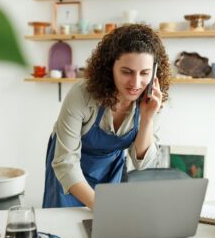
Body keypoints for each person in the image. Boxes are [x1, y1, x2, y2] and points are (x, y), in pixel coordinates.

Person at [42, 24, 171, 209]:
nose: (136, 83)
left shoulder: (153, 101)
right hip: (69, 169)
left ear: (155, 72)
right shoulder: (82, 94)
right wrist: (101, 207)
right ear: (110, 67)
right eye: (126, 72)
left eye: (144, 73)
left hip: (109, 169)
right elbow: (66, 162)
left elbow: (142, 163)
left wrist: (147, 118)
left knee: (103, 231)